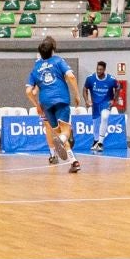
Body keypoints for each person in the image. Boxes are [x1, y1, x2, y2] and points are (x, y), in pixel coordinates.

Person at [26, 37, 81, 174]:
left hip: (45, 103)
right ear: (53, 50)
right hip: (60, 99)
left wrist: (36, 105)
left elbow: (29, 91)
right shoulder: (58, 60)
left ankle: (73, 162)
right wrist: (77, 95)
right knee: (65, 132)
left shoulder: (36, 67)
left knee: (57, 133)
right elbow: (71, 77)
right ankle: (60, 142)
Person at [83, 60, 118, 153]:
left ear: (104, 70)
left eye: (101, 69)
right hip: (95, 104)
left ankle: (101, 143)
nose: (99, 71)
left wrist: (114, 100)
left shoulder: (111, 79)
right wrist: (86, 100)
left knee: (105, 117)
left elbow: (118, 88)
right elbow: (85, 89)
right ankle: (95, 141)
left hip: (106, 103)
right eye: (97, 69)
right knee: (96, 123)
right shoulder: (90, 78)